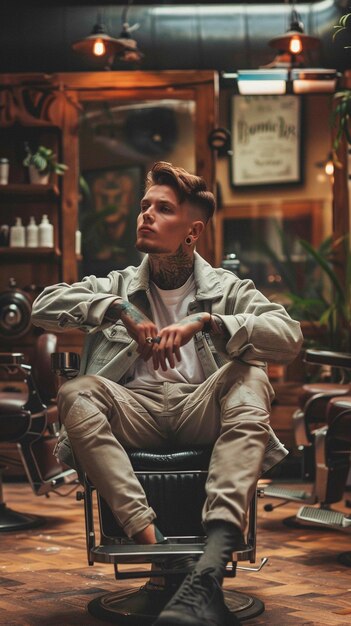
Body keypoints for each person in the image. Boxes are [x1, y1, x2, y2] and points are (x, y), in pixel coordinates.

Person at [31, 161, 303, 626]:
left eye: (162, 208)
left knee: (250, 376)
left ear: (192, 231)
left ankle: (211, 561)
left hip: (200, 407)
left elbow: (289, 336)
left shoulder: (227, 289)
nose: (146, 215)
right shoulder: (117, 285)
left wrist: (212, 322)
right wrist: (117, 310)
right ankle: (153, 542)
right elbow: (42, 307)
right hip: (133, 410)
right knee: (77, 392)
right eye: (144, 206)